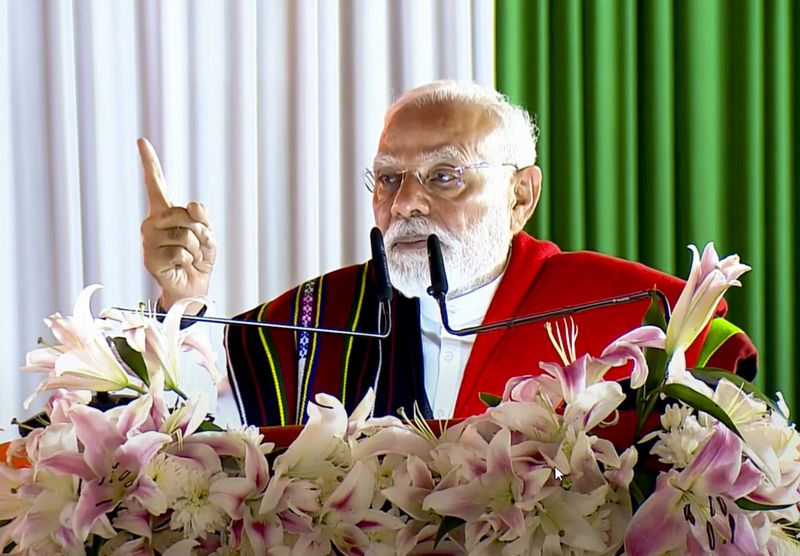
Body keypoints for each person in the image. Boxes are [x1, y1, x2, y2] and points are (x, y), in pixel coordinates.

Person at [139, 81, 757, 428]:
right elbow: (205, 439)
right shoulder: (322, 315)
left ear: (520, 196)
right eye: (388, 179)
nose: (405, 203)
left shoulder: (621, 307)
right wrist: (183, 301)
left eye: (443, 176)